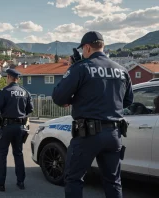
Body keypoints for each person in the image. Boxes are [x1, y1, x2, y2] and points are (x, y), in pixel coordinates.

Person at [52, 31, 134, 198]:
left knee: (74, 179)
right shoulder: (122, 70)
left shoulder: (81, 68)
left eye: (83, 50)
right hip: (114, 134)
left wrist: (75, 98)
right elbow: (127, 101)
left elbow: (59, 97)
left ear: (87, 47)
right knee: (113, 181)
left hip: (87, 135)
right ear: (102, 46)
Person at [0, 68, 34, 192]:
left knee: (2, 155)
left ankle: (0, 183)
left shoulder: (5, 91)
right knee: (18, 154)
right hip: (20, 128)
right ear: (17, 79)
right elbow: (30, 109)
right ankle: (21, 182)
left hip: (7, 127)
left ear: (8, 77)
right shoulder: (25, 92)